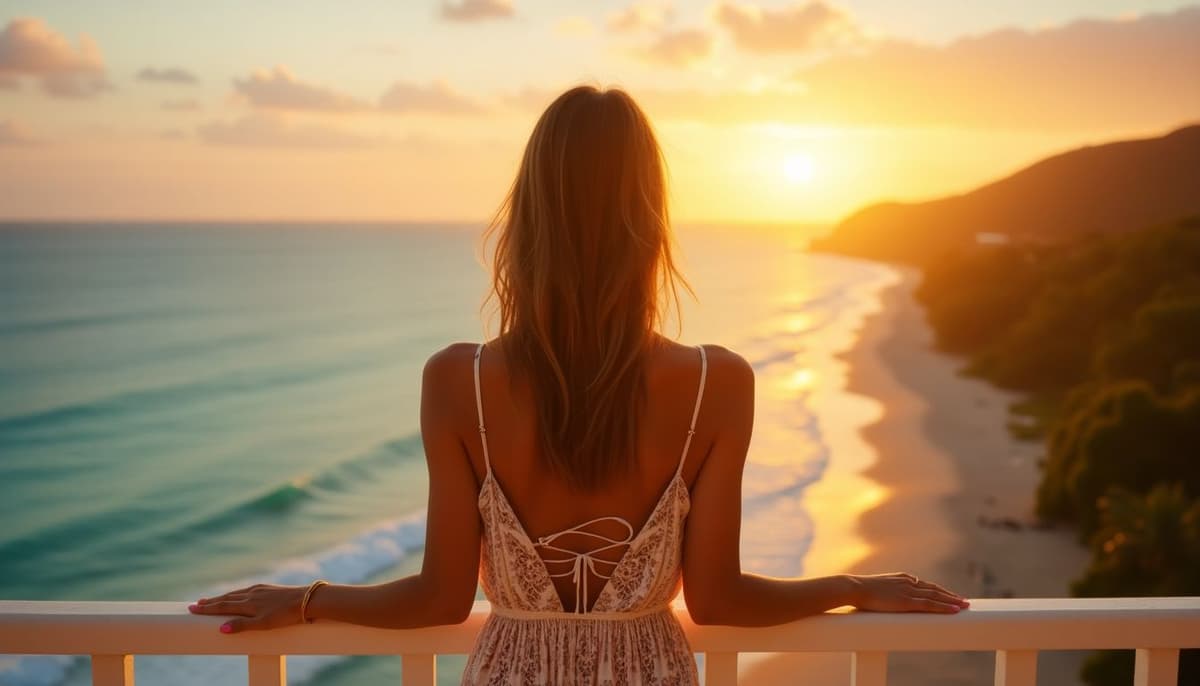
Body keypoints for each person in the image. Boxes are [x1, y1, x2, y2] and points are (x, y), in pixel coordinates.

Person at [188, 85, 970, 685]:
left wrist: (305, 599)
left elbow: (438, 601)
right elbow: (722, 602)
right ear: (651, 224)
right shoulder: (715, 383)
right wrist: (851, 586)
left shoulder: (457, 379)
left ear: (525, 219)